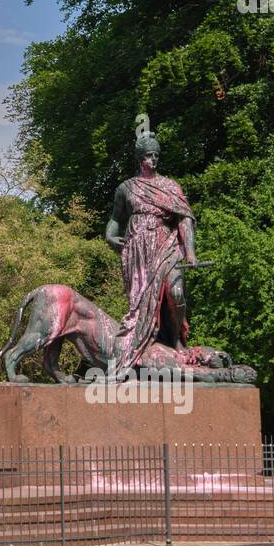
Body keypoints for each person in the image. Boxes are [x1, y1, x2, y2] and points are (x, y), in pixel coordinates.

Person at [104, 133, 197, 375]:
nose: (153, 160)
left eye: (156, 155)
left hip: (166, 247)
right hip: (138, 250)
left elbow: (185, 219)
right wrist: (110, 236)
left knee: (175, 294)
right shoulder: (127, 188)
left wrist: (190, 252)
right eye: (148, 156)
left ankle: (175, 339)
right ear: (139, 158)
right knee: (141, 302)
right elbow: (115, 220)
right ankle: (146, 342)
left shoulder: (170, 186)